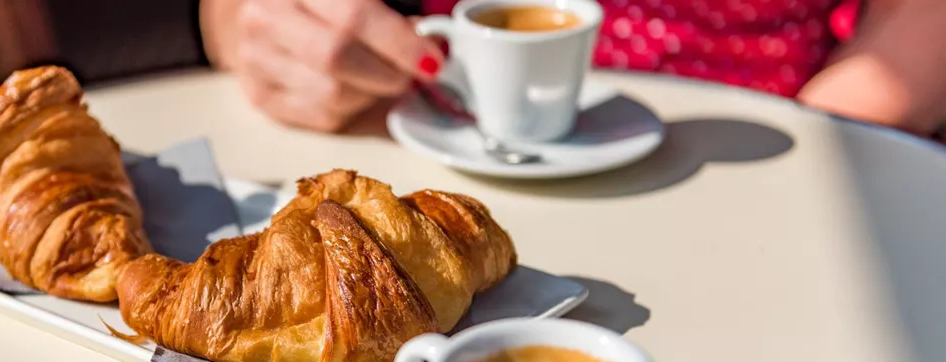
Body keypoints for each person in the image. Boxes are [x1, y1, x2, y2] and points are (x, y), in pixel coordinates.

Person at [199, 0, 946, 136]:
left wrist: (819, 141)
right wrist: (250, 25)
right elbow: (237, 14)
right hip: (443, 144)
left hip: (763, 148)